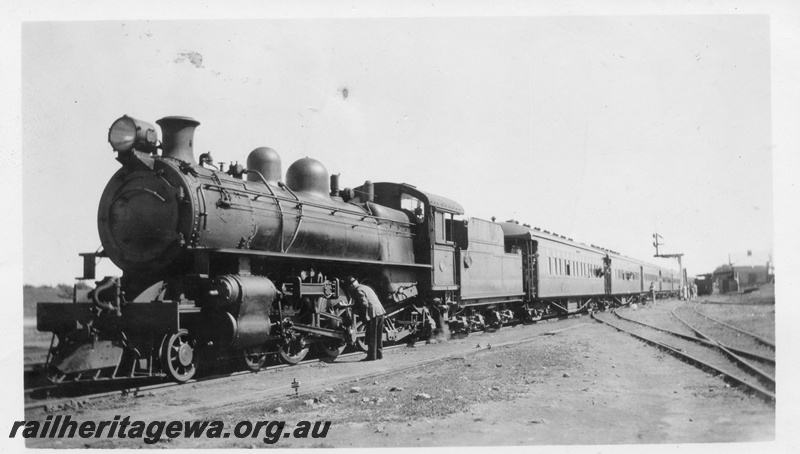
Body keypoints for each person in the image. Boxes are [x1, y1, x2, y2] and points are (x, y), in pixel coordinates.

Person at [344, 277, 386, 361]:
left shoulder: (358, 290)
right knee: (378, 335)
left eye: (349, 287)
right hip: (380, 312)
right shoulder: (365, 287)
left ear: (352, 285)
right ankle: (379, 354)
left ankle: (371, 356)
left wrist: (353, 308)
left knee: (371, 335)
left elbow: (364, 304)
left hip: (372, 314)